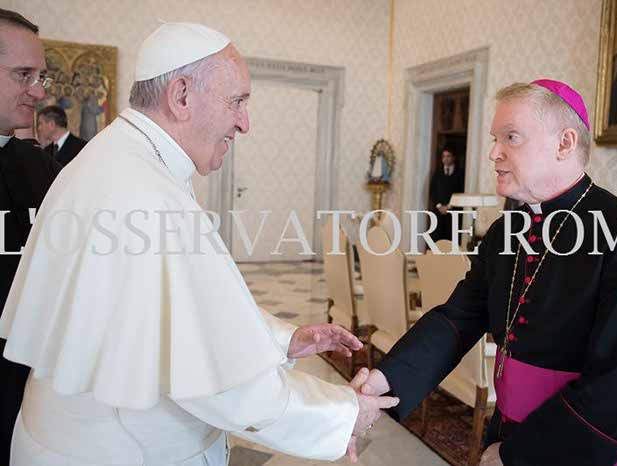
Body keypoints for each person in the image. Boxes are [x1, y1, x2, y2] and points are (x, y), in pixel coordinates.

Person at [0, 21, 397, 465]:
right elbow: (220, 383)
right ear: (182, 95)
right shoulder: (144, 191)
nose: (244, 122)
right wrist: (343, 413)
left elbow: (184, 314)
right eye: (237, 101)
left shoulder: (122, 158)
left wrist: (283, 339)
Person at [356, 79, 617, 466]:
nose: (493, 153)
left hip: (576, 448)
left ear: (565, 143)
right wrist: (383, 381)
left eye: (511, 137)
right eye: (495, 139)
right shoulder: (505, 232)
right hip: (508, 431)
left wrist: (518, 455)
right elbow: (456, 319)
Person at [0, 8, 62, 465]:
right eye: (24, 75)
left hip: (23, 385)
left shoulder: (35, 165)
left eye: (40, 76)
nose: (39, 92)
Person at [429, 147, 464, 242]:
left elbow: (461, 192)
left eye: (448, 156)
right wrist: (439, 206)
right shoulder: (438, 172)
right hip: (438, 212)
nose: (446, 159)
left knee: (451, 239)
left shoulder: (460, 173)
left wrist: (449, 206)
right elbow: (433, 191)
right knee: (437, 239)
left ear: (453, 157)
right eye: (444, 156)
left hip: (453, 212)